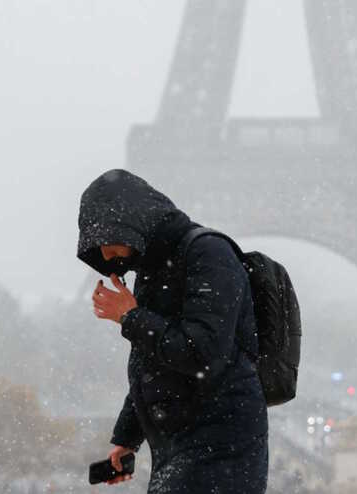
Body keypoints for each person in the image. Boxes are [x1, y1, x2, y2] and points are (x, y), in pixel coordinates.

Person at [77, 169, 268, 493]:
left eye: (106, 241)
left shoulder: (208, 253)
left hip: (218, 444)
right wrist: (128, 438)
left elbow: (202, 353)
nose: (105, 256)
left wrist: (130, 317)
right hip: (183, 444)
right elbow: (152, 367)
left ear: (132, 223)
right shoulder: (154, 269)